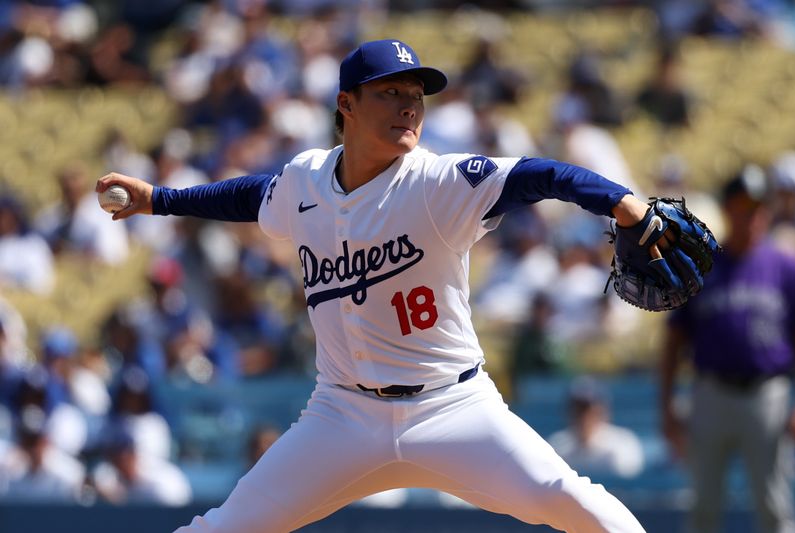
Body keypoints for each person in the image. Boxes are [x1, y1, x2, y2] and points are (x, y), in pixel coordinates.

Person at [96, 39, 664, 533]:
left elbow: (543, 176)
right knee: (222, 526)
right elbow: (251, 196)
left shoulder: (438, 182)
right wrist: (160, 199)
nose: (408, 106)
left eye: (415, 94)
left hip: (452, 407)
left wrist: (623, 203)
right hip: (340, 415)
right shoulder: (305, 179)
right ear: (346, 104)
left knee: (570, 500)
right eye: (389, 93)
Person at [660, 165, 795, 533]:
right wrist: (668, 407)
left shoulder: (786, 267)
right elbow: (674, 342)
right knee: (704, 506)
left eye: (756, 207)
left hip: (767, 395)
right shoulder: (703, 267)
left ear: (766, 211)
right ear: (726, 210)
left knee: (774, 505)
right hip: (711, 394)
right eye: (741, 207)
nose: (749, 216)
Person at [548, 376, 644, 479]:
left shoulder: (623, 443)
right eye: (578, 410)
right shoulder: (556, 445)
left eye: (589, 410)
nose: (583, 416)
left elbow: (630, 486)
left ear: (604, 411)